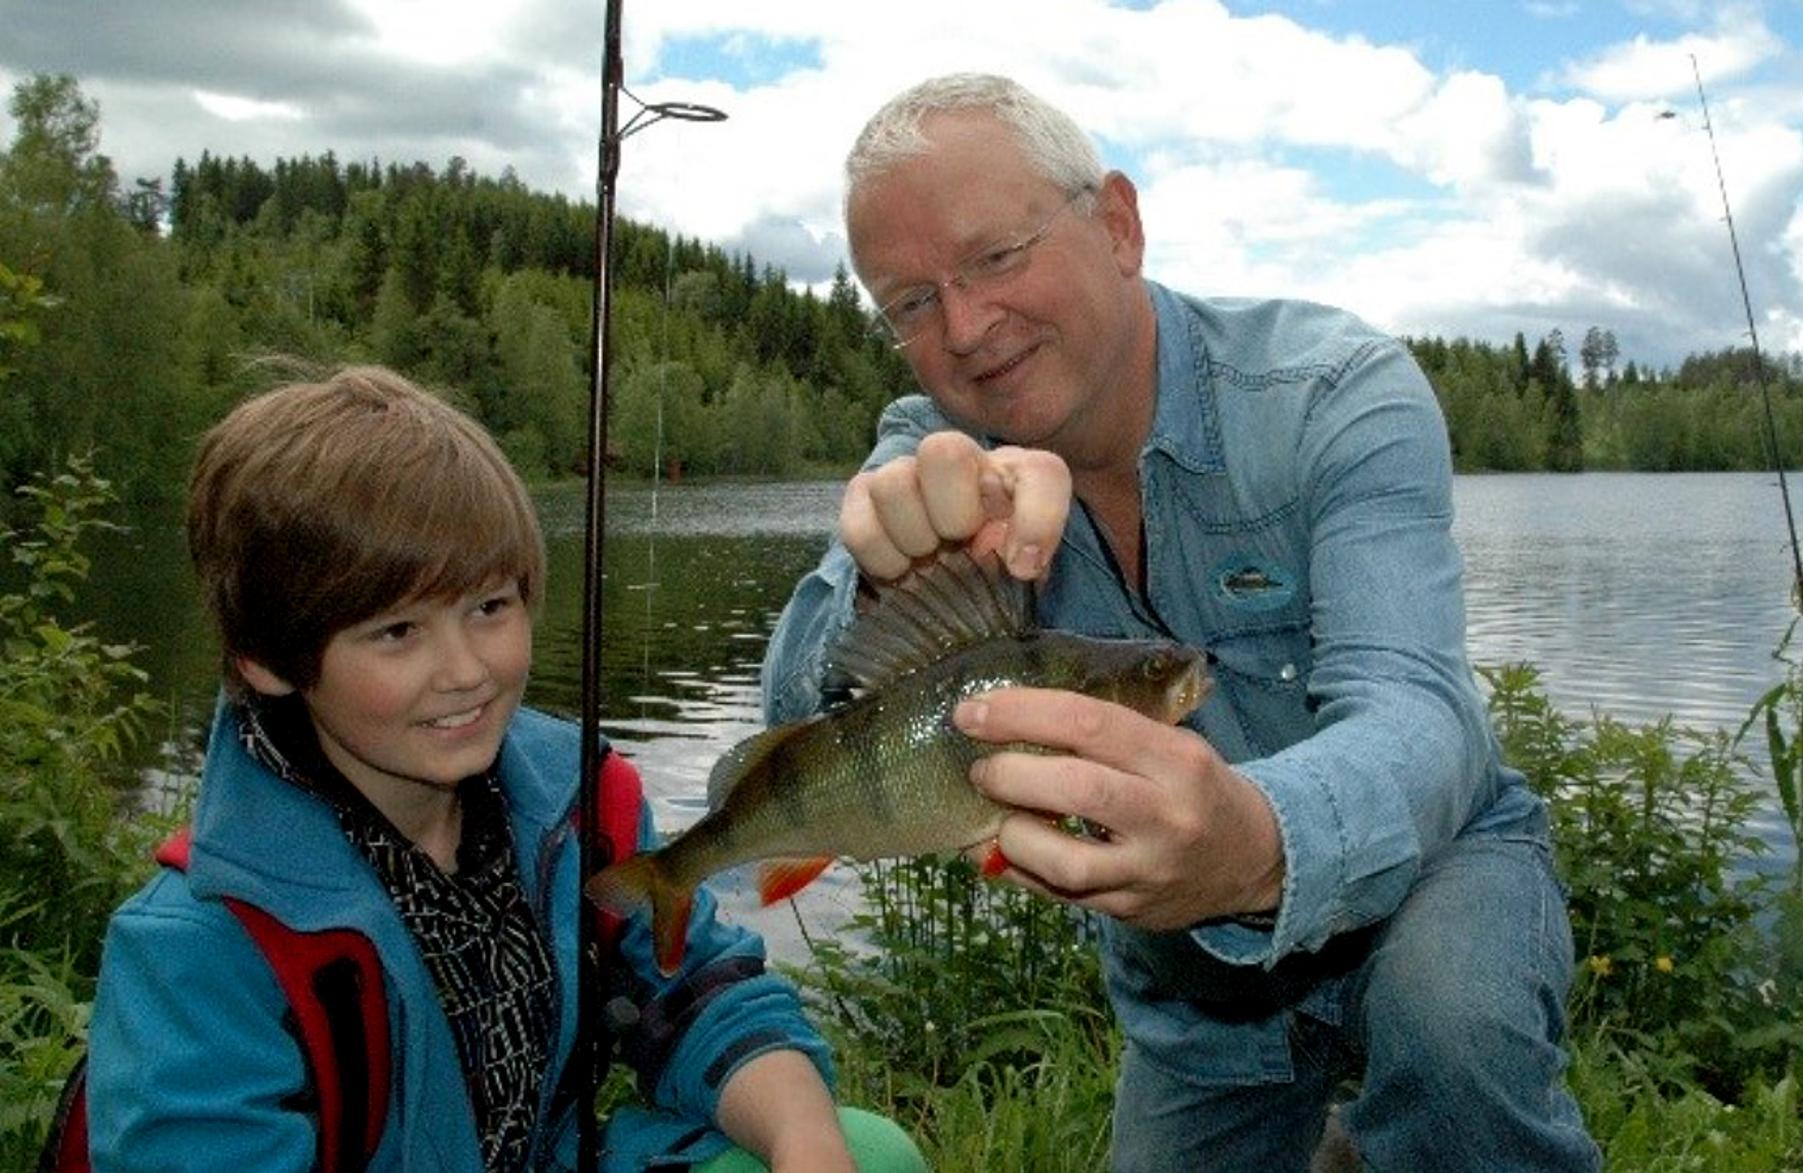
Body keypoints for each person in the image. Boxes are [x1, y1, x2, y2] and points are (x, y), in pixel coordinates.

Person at [761, 74, 1602, 1171]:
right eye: (911, 304)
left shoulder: (1333, 392)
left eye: (997, 257)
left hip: (1438, 868)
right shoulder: (927, 451)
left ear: (1117, 224)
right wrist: (883, 591)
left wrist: (1255, 844)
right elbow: (788, 729)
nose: (964, 328)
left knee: (1454, 1033)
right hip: (1189, 976)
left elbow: (1417, 711)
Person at [86, 367, 926, 1173]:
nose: (466, 671)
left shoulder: (578, 805)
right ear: (268, 660)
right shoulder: (199, 949)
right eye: (397, 631)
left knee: (869, 1150)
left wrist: (804, 1139)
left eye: (490, 607)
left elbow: (702, 993)